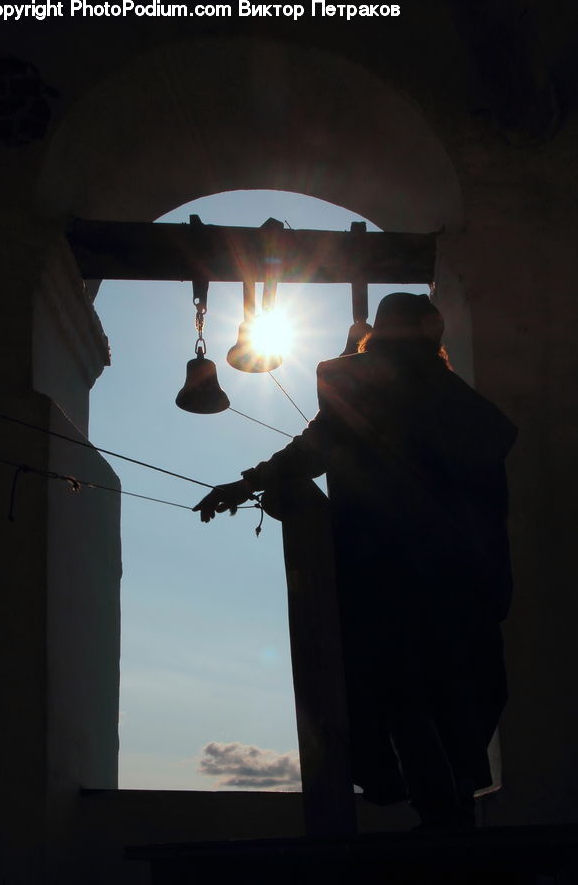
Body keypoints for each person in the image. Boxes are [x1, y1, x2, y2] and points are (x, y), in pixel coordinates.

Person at [193, 292, 517, 828]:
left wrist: (245, 484)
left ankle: (442, 814)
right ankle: (449, 813)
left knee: (401, 694)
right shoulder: (465, 409)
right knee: (453, 696)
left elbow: (311, 449)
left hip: (387, 577)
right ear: (431, 334)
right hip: (460, 583)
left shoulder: (363, 386)